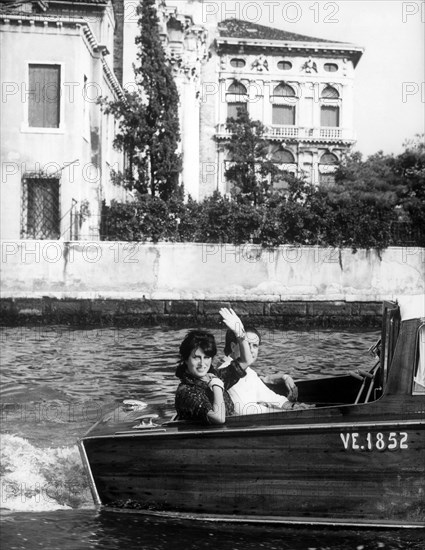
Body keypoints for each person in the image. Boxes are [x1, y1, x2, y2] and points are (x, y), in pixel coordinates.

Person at [174, 308, 252, 425]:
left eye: (206, 358)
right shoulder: (186, 392)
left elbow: (246, 361)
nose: (202, 363)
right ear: (185, 359)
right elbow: (219, 418)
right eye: (196, 357)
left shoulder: (213, 377)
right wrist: (217, 386)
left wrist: (241, 335)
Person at [220, 327, 310, 415]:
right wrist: (289, 412)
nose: (251, 350)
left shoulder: (250, 372)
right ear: (233, 346)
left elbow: (271, 397)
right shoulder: (226, 372)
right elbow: (246, 411)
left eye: (255, 346)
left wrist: (292, 407)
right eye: (247, 345)